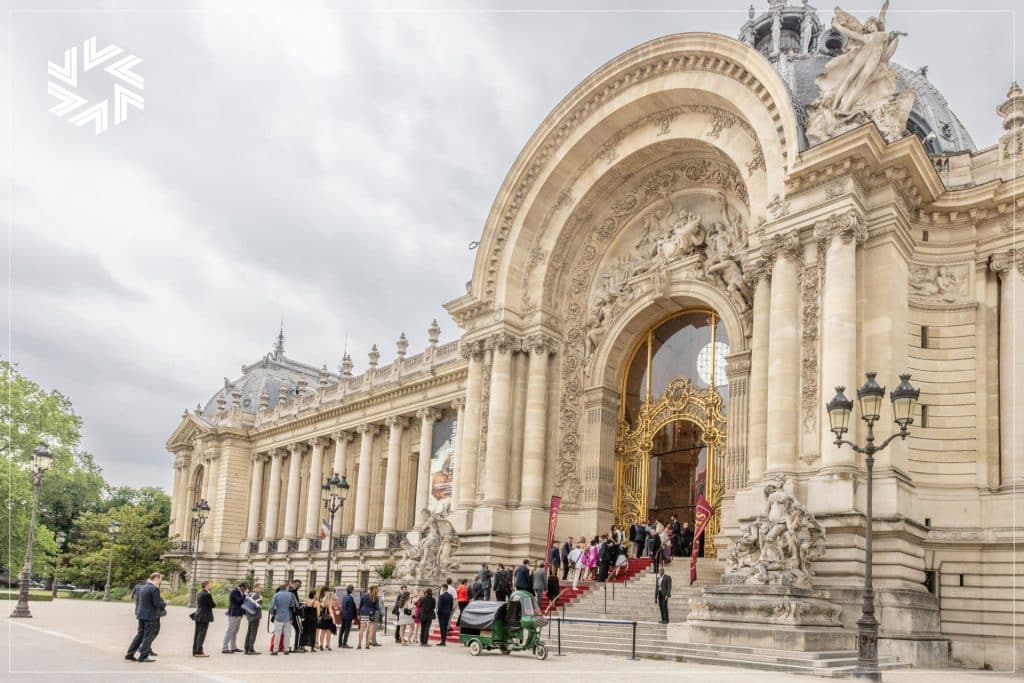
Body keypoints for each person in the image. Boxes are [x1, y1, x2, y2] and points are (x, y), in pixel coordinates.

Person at [125, 571, 165, 663]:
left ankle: (129, 654)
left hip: (141, 614)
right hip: (150, 616)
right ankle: (143, 656)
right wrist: (164, 604)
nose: (160, 581)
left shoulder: (143, 587)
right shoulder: (154, 589)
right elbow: (157, 603)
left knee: (139, 635)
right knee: (148, 636)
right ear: (156, 578)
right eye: (160, 579)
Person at [269, 584, 299, 655]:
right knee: (287, 634)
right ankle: (286, 649)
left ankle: (275, 650)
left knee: (277, 634)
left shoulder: (276, 595)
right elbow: (296, 605)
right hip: (288, 616)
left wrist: (272, 613)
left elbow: (272, 606)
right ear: (286, 588)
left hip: (278, 616)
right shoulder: (291, 595)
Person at [222, 580, 247, 654]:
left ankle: (233, 647)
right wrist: (245, 594)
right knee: (230, 630)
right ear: (241, 587)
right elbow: (239, 601)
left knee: (235, 631)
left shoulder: (240, 592)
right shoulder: (234, 591)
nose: (246, 590)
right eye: (245, 588)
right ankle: (225, 648)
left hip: (239, 614)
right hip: (233, 614)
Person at [192, 580, 215, 657]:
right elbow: (213, 605)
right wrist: (210, 595)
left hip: (198, 615)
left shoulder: (199, 593)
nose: (211, 585)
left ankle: (195, 651)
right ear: (206, 585)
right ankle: (199, 652)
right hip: (204, 616)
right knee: (202, 634)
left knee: (197, 634)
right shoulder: (207, 594)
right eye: (210, 584)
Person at [242, 582, 263, 655]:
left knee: (249, 632)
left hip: (249, 616)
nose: (261, 589)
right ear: (256, 588)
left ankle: (246, 648)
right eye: (260, 587)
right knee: (253, 633)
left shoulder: (249, 594)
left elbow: (244, 604)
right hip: (255, 616)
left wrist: (248, 614)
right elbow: (258, 607)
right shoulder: (258, 596)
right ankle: (251, 649)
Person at [357, 586, 379, 650]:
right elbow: (377, 608)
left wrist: (358, 613)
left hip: (364, 613)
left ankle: (359, 644)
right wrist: (373, 610)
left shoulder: (364, 595)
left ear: (369, 589)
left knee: (361, 629)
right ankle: (367, 645)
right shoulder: (376, 597)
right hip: (371, 614)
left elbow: (360, 605)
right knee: (371, 630)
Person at [436, 582, 454, 647]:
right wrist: (449, 611)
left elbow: (439, 606)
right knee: (445, 627)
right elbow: (451, 605)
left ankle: (442, 641)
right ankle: (444, 641)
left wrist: (438, 613)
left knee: (442, 627)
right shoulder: (450, 596)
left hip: (442, 613)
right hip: (447, 613)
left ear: (444, 588)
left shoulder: (441, 596)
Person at [288, 580, 303, 653]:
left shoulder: (290, 591)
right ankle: (297, 647)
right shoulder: (293, 591)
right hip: (294, 614)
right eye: (299, 585)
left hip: (289, 614)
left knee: (287, 631)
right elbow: (295, 604)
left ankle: (286, 647)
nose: (300, 586)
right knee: (299, 630)